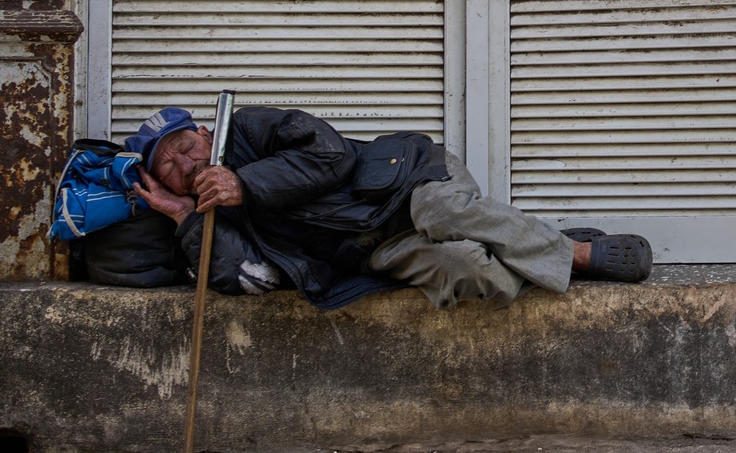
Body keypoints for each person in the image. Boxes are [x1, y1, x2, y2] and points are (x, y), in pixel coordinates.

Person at [124, 105, 652, 310]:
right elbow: (243, 277)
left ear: (203, 131)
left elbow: (327, 153)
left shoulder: (247, 129)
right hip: (372, 250)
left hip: (408, 184)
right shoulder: (206, 216)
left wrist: (247, 181)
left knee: (444, 216)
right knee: (469, 267)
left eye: (183, 144)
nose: (183, 162)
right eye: (166, 164)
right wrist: (183, 216)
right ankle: (539, 245)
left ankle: (578, 253)